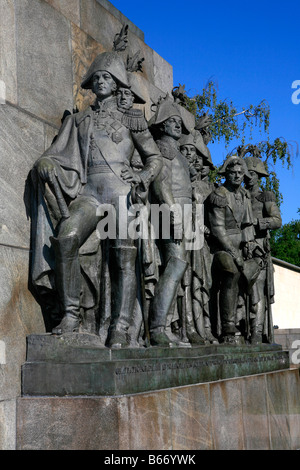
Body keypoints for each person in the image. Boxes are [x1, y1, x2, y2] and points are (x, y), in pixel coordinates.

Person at [31, 52, 162, 348]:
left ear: (116, 84)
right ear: (91, 85)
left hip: (121, 192)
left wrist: (143, 177)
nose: (101, 81)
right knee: (66, 238)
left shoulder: (132, 119)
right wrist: (46, 163)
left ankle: (121, 325)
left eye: (107, 77)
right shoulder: (79, 120)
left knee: (122, 256)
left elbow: (153, 157)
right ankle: (71, 315)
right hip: (89, 192)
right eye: (97, 78)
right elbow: (57, 153)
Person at [147, 96, 195, 346]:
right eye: (172, 121)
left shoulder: (178, 153)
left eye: (178, 122)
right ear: (162, 125)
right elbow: (161, 183)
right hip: (170, 213)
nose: (177, 125)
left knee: (176, 269)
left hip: (183, 214)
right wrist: (173, 214)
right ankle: (156, 327)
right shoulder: (162, 149)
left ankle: (164, 327)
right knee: (175, 266)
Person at [207, 155, 256, 343]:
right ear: (226, 174)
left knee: (252, 273)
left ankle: (246, 324)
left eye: (240, 173)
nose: (237, 176)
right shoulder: (219, 195)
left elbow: (247, 225)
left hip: (240, 245)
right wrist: (234, 254)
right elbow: (218, 229)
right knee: (231, 271)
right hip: (219, 248)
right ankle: (227, 326)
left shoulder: (244, 195)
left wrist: (250, 245)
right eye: (233, 172)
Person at [244, 156, 282, 344]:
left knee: (257, 292)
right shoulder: (239, 195)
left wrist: (259, 223)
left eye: (251, 174)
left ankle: (257, 331)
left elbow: (277, 220)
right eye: (246, 173)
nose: (247, 177)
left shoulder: (265, 197)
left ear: (258, 176)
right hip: (240, 249)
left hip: (259, 251)